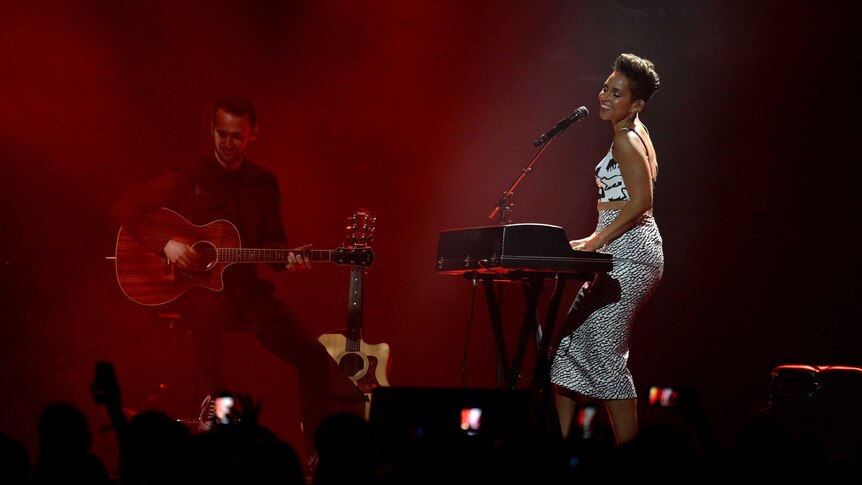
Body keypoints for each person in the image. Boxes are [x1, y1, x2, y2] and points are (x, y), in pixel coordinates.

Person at [110, 95, 366, 471]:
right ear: (212, 131)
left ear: (253, 135)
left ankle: (318, 455)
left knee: (312, 355)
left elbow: (273, 246)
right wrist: (167, 243)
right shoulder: (188, 177)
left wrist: (287, 260)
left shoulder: (265, 184)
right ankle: (222, 420)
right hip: (195, 292)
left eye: (237, 137)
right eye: (222, 135)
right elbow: (125, 207)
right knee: (208, 310)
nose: (228, 144)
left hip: (246, 293)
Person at [550, 53, 664, 446]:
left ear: (635, 104)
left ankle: (631, 458)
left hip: (630, 253)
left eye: (616, 93)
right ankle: (559, 446)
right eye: (605, 88)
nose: (604, 97)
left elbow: (641, 202)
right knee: (566, 347)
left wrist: (597, 240)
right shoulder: (634, 131)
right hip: (622, 246)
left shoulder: (625, 137)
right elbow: (624, 196)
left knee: (606, 356)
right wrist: (596, 237)